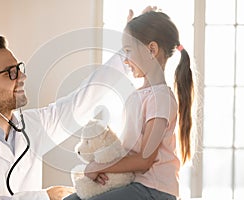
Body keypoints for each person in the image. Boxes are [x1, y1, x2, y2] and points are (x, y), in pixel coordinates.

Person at [0, 15, 137, 200]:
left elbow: (83, 101)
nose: (22, 77)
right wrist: (44, 197)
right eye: (10, 73)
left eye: (19, 68)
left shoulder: (33, 125)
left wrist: (129, 50)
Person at [65, 9, 194, 200]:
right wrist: (108, 171)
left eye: (128, 51)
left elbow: (144, 160)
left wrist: (99, 167)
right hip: (134, 183)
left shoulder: (161, 99)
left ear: (151, 49)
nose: (125, 60)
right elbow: (129, 149)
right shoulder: (139, 95)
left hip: (154, 190)